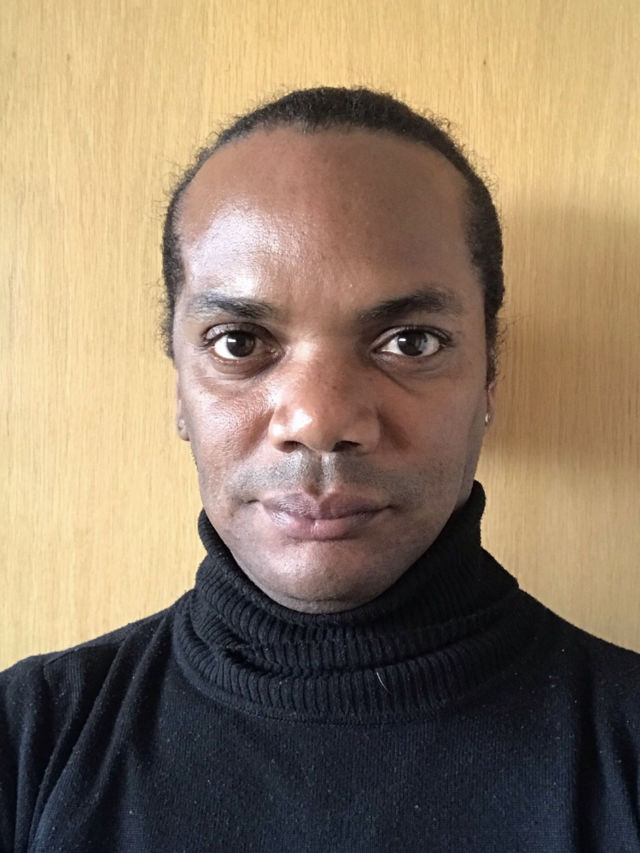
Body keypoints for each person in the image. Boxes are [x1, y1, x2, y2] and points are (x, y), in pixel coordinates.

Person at [1, 87, 639, 852]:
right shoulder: (29, 738)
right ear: (179, 386)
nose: (320, 420)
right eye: (239, 342)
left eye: (410, 341)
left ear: (491, 375)